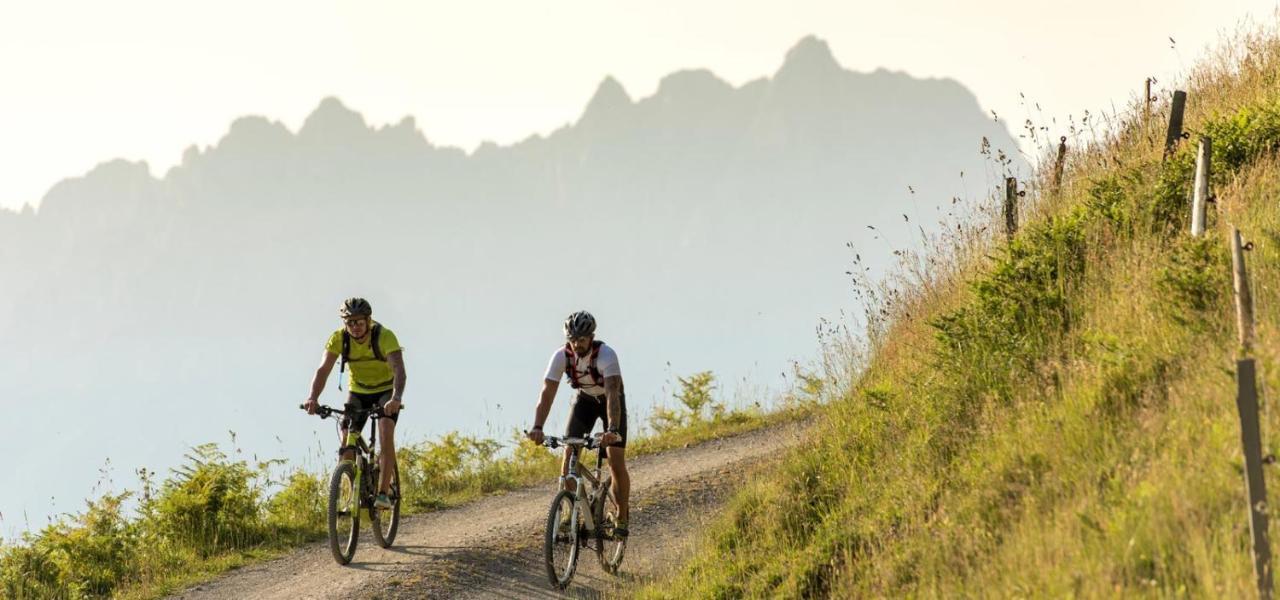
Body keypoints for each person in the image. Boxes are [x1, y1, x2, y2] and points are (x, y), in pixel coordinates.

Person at [527, 310, 630, 537]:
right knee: (568, 455)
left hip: (609, 402)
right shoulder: (561, 357)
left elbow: (613, 393)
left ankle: (622, 517)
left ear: (591, 337)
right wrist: (537, 427)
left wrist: (612, 429)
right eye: (572, 340)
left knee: (615, 460)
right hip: (584, 401)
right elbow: (547, 392)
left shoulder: (606, 356)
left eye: (581, 340)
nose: (576, 344)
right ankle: (568, 513)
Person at [303, 297, 406, 509]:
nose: (355, 327)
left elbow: (399, 370)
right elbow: (323, 370)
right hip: (358, 391)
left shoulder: (384, 336)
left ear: (368, 320)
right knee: (346, 440)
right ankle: (353, 491)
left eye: (359, 322)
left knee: (386, 431)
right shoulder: (339, 339)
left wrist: (396, 398)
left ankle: (384, 493)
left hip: (385, 391)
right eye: (350, 323)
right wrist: (313, 397)